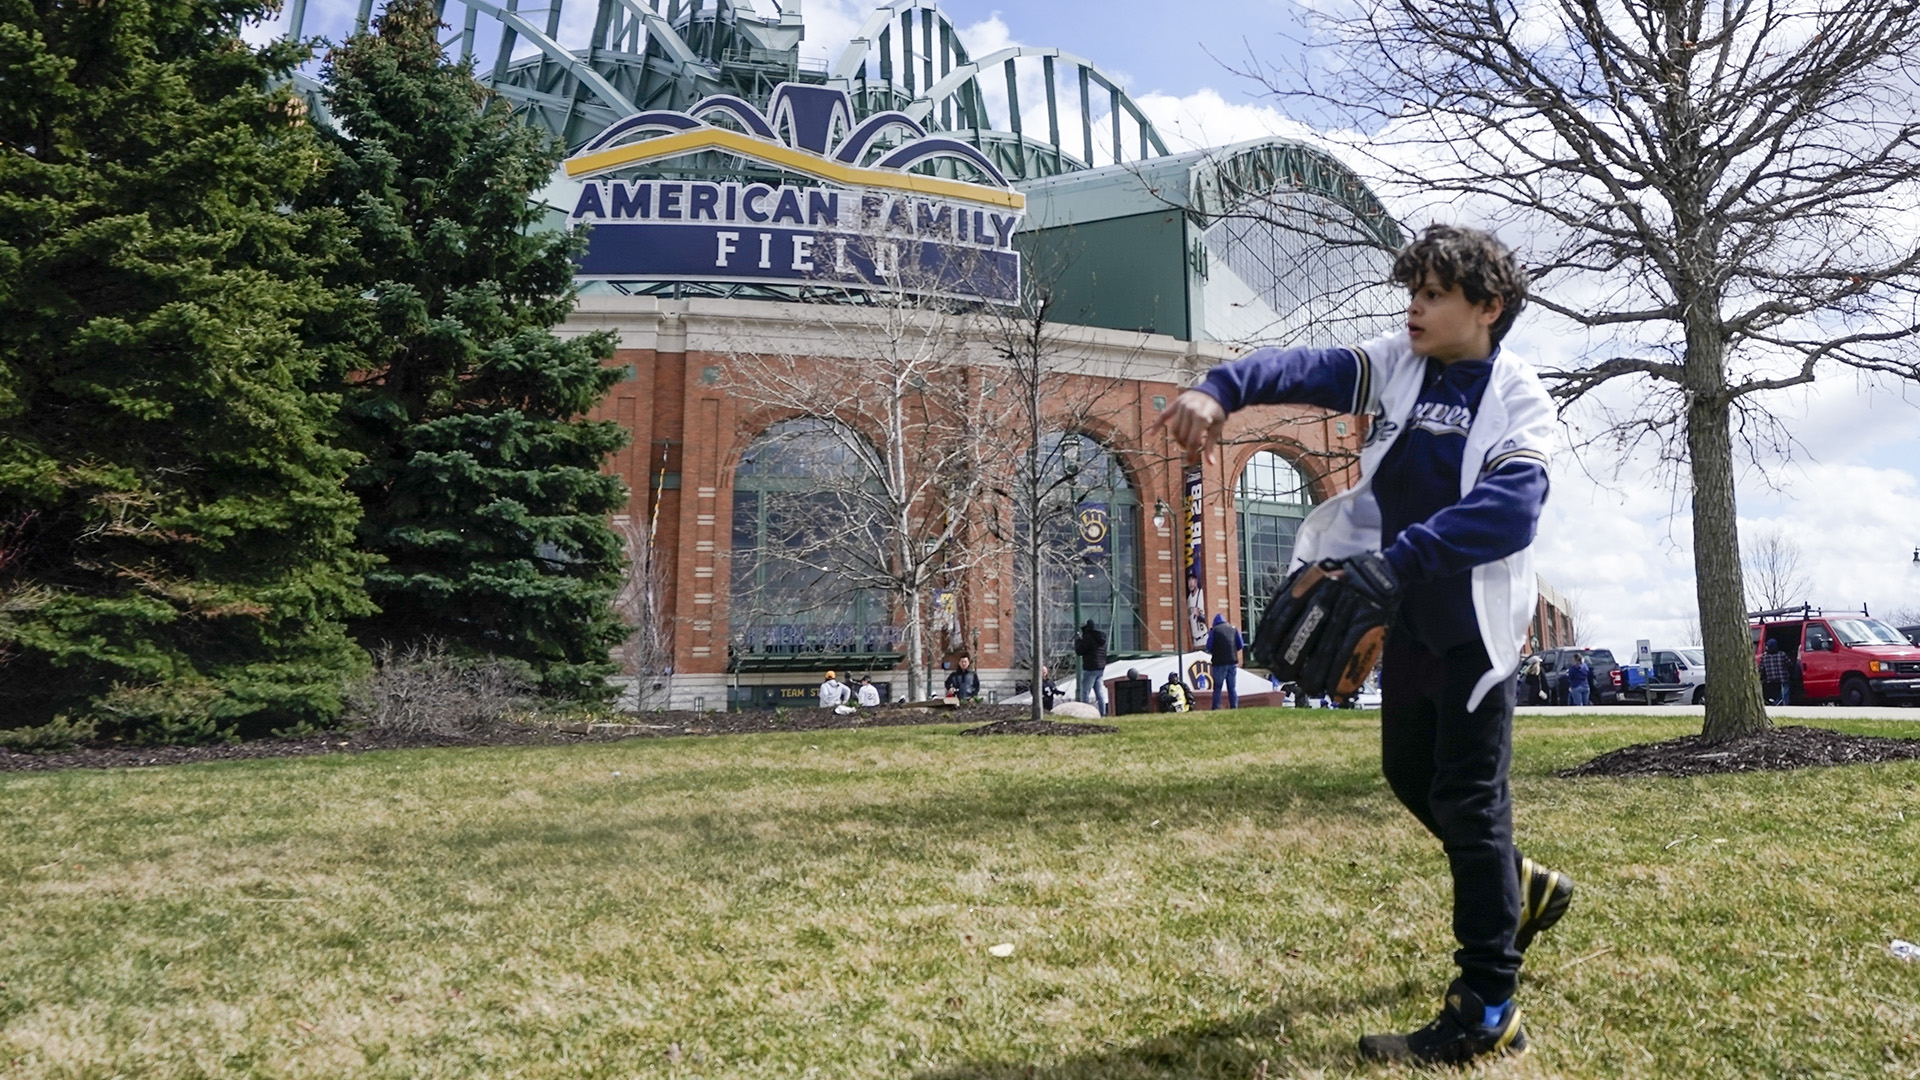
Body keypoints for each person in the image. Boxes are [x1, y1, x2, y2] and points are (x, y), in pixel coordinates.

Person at [1151, 224, 1572, 1065]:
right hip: (1405, 619)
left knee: (1470, 801)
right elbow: (1304, 368)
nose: (1412, 306)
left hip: (1474, 629)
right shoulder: (1401, 362)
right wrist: (1223, 386)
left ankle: (1490, 1007)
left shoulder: (1518, 395)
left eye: (1433, 293)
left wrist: (1397, 564)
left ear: (1487, 308)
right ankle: (1515, 885)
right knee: (1408, 775)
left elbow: (1512, 509)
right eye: (1409, 290)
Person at [1206, 613, 1245, 710]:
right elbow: (1240, 645)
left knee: (1218, 687)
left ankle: (1216, 707)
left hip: (1219, 663)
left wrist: (1215, 651)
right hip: (1232, 662)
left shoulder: (1214, 630)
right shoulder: (1233, 629)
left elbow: (1208, 646)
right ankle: (1234, 706)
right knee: (1232, 687)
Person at [1073, 620, 1109, 715]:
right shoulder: (1102, 638)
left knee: (1085, 692)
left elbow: (1079, 651)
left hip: (1090, 668)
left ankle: (1085, 713)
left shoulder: (1088, 638)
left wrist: (1078, 640)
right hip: (1100, 668)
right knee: (1099, 693)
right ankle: (1103, 713)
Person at [1760, 638, 1793, 706]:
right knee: (1784, 697)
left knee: (1775, 696)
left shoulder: (1764, 656)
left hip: (1771, 681)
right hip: (1783, 680)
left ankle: (1775, 704)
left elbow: (1761, 668)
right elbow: (1790, 664)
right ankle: (1782, 706)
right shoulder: (1782, 654)